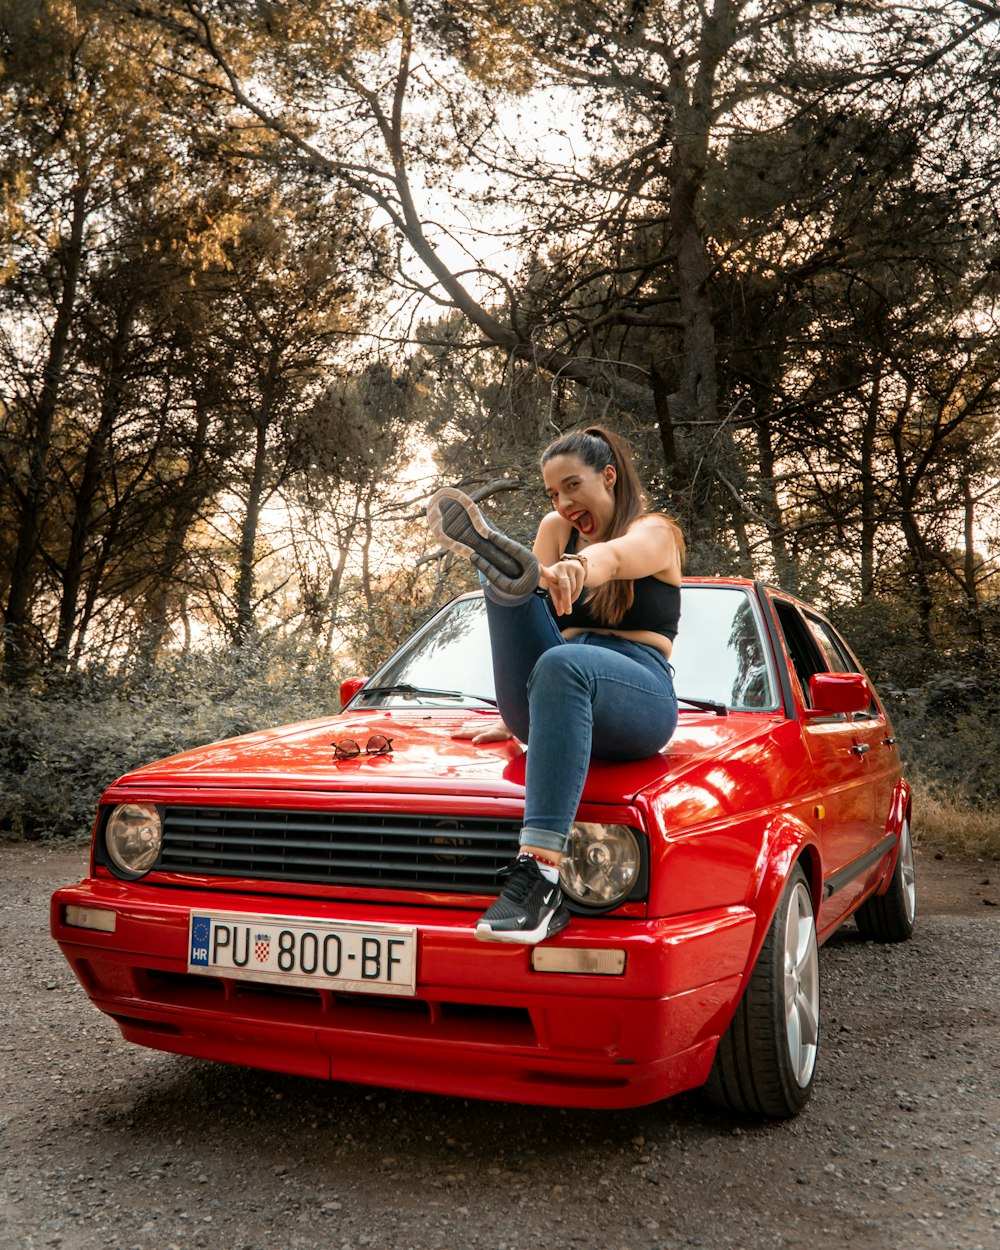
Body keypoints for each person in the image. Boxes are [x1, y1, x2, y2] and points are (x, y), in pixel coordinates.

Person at [426, 424, 682, 945]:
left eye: (572, 486)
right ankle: (496, 579)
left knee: (565, 660)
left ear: (608, 477)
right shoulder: (555, 529)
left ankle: (540, 877)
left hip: (635, 691)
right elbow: (537, 637)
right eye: (553, 493)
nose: (563, 504)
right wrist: (513, 715)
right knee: (520, 603)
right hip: (550, 690)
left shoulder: (654, 532)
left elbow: (613, 558)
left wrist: (579, 567)